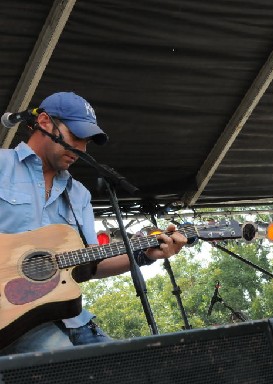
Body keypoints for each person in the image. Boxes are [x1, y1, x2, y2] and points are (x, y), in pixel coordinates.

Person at [0, 92, 187, 355]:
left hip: (69, 315)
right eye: (75, 136)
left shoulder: (78, 194)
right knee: (67, 365)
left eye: (86, 142)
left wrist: (145, 255)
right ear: (44, 122)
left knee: (128, 369)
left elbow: (93, 263)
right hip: (12, 319)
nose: (81, 149)